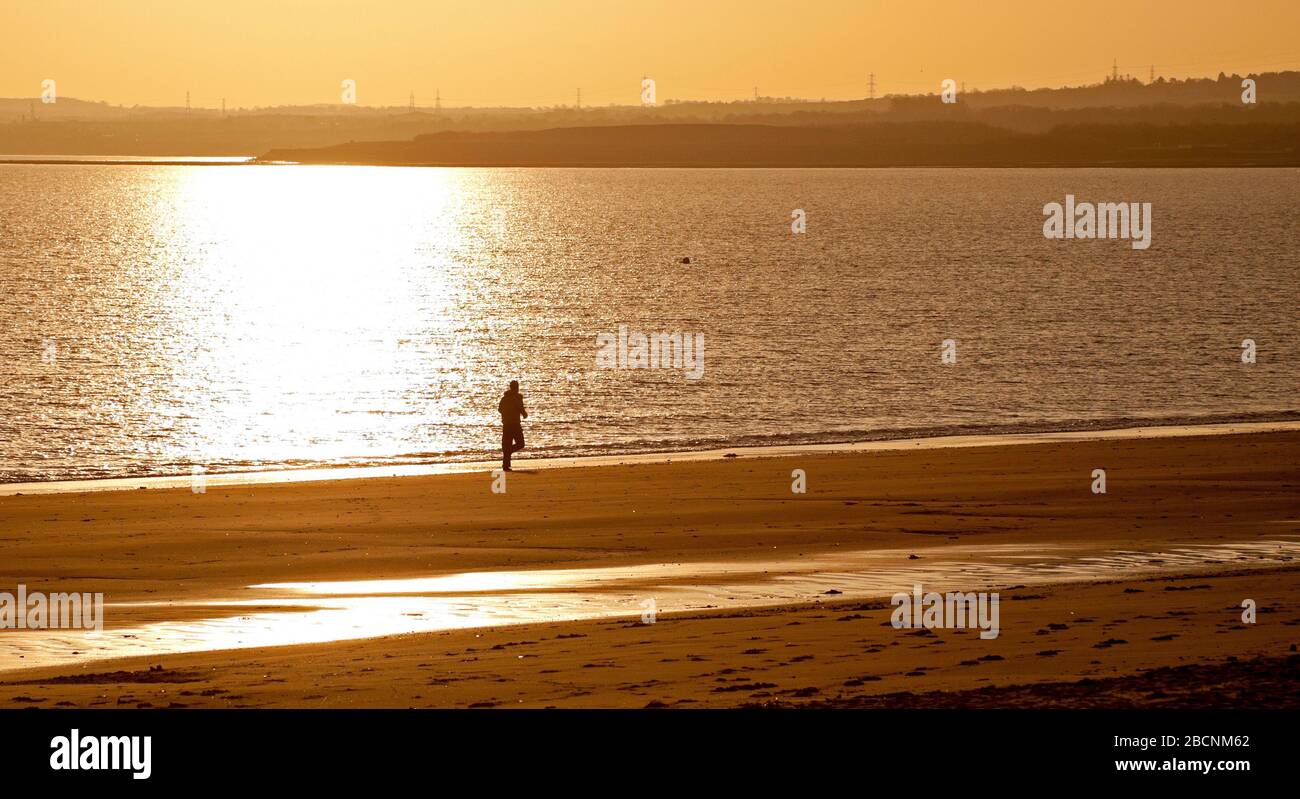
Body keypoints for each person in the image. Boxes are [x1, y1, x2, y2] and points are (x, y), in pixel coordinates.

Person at [498, 380, 528, 470]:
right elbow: (520, 408)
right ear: (516, 388)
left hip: (506, 424)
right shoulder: (517, 397)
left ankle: (506, 465)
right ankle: (508, 454)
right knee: (520, 444)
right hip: (514, 424)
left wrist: (506, 414)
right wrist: (524, 414)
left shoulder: (504, 398)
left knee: (507, 444)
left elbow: (500, 409)